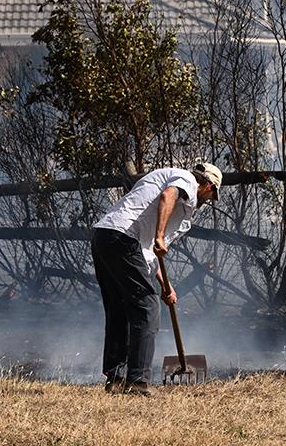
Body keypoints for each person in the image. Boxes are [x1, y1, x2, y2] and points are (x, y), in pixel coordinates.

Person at [90, 162, 222, 395]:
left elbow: (149, 255)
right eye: (211, 195)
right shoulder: (185, 180)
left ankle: (116, 379)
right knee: (147, 307)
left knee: (119, 309)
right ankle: (138, 382)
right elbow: (167, 195)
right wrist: (160, 236)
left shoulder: (171, 187)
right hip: (124, 237)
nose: (208, 200)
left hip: (105, 236)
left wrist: (166, 286)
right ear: (208, 185)